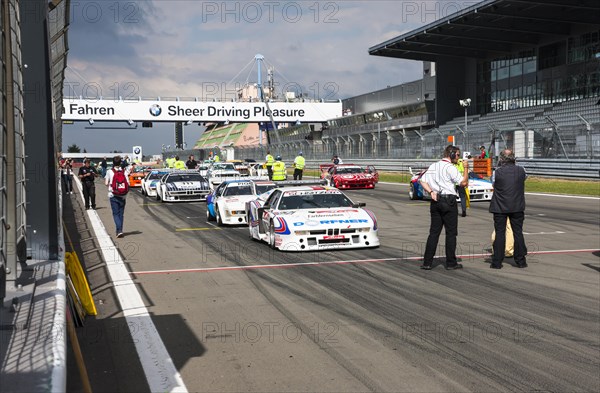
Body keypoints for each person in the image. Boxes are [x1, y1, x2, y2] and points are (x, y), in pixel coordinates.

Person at [419, 145, 469, 270]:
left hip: (436, 200)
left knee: (434, 233)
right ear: (451, 154)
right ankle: (451, 263)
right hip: (449, 201)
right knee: (451, 233)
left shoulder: (433, 166)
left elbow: (422, 181)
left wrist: (431, 192)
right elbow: (463, 183)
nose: (458, 157)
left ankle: (427, 262)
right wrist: (466, 168)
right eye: (457, 155)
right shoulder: (450, 168)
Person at [489, 149, 528, 269]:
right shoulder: (522, 170)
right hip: (516, 206)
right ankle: (521, 261)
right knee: (518, 233)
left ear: (501, 159)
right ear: (513, 158)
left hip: (500, 206)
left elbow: (493, 183)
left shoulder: (498, 172)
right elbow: (524, 179)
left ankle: (497, 262)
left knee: (500, 233)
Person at [105, 156, 131, 238]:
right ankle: (119, 230)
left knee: (115, 213)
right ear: (120, 163)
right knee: (121, 214)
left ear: (113, 163)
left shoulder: (109, 171)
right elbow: (128, 184)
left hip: (113, 194)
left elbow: (106, 183)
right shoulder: (124, 172)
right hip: (123, 195)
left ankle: (119, 230)